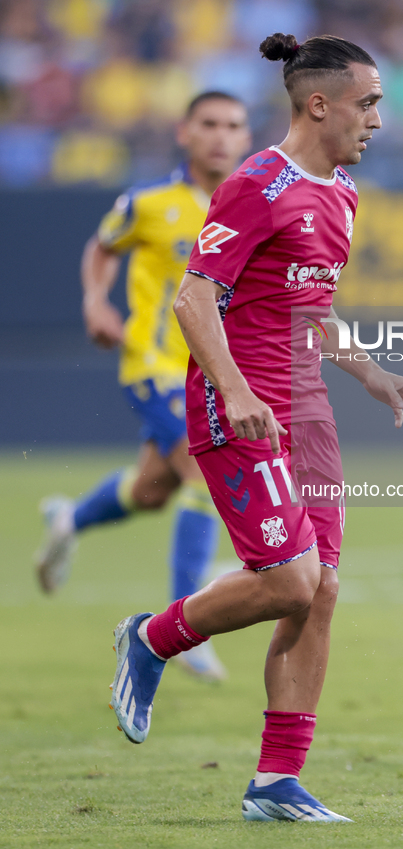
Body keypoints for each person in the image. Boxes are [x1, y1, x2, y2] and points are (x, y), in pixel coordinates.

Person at [108, 32, 403, 823]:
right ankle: (152, 638)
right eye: (368, 104)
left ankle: (274, 784)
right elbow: (193, 298)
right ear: (318, 103)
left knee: (318, 592)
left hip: (306, 410)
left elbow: (311, 309)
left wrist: (368, 370)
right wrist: (234, 387)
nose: (377, 121)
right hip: (237, 406)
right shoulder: (259, 181)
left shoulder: (344, 194)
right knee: (290, 578)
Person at [35, 91, 252, 681]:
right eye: (208, 124)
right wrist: (94, 299)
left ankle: (70, 520)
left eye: (233, 126)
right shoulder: (149, 203)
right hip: (153, 363)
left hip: (214, 370)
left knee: (153, 490)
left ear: (245, 136)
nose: (220, 136)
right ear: (184, 133)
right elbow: (102, 249)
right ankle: (189, 627)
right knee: (202, 469)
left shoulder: (253, 205)